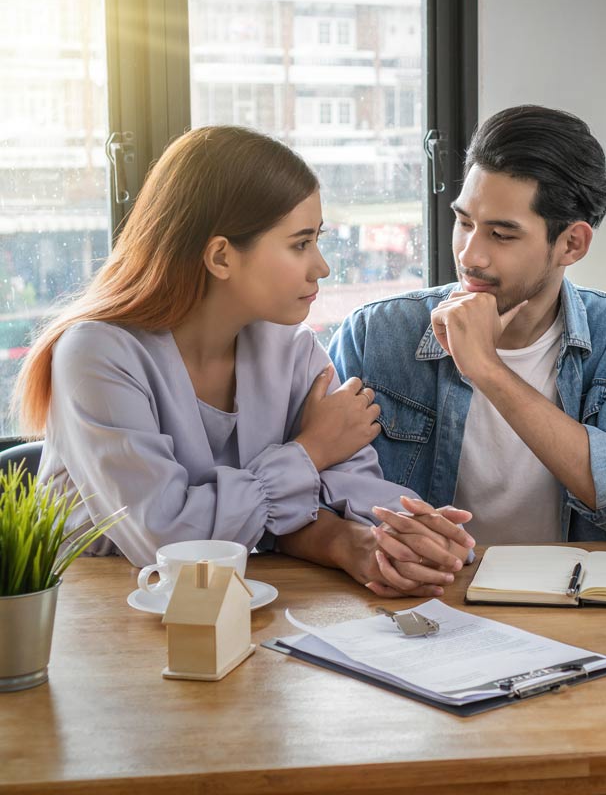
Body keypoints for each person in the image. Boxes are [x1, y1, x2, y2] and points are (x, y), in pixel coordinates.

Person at [16, 125, 472, 598]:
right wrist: (310, 451)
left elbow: (349, 488)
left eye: (318, 239)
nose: (322, 267)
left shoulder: (290, 347)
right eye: (300, 244)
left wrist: (414, 531)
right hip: (103, 620)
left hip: (238, 607)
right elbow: (169, 542)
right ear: (221, 256)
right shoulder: (96, 356)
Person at [328, 105, 606, 594]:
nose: (471, 254)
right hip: (421, 601)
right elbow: (311, 500)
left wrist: (488, 370)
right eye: (464, 222)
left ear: (572, 244)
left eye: (501, 234)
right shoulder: (375, 335)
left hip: (568, 609)